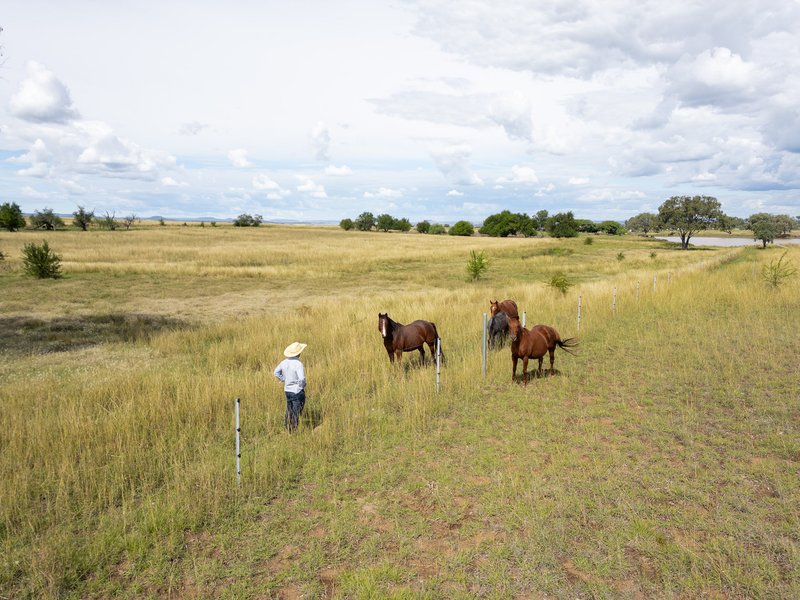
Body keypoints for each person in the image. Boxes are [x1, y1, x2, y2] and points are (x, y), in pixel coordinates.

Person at [273, 342, 307, 432]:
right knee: (296, 410)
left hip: (287, 390)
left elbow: (276, 372)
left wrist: (284, 379)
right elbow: (302, 378)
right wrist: (301, 386)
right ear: (299, 353)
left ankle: (287, 427)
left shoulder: (284, 362)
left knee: (289, 408)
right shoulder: (298, 364)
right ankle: (293, 430)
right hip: (297, 391)